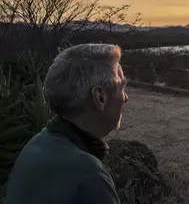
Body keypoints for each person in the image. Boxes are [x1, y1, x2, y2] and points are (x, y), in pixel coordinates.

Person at [6, 44, 128, 204]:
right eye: (122, 88)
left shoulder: (38, 143)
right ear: (100, 97)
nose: (126, 98)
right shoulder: (88, 173)